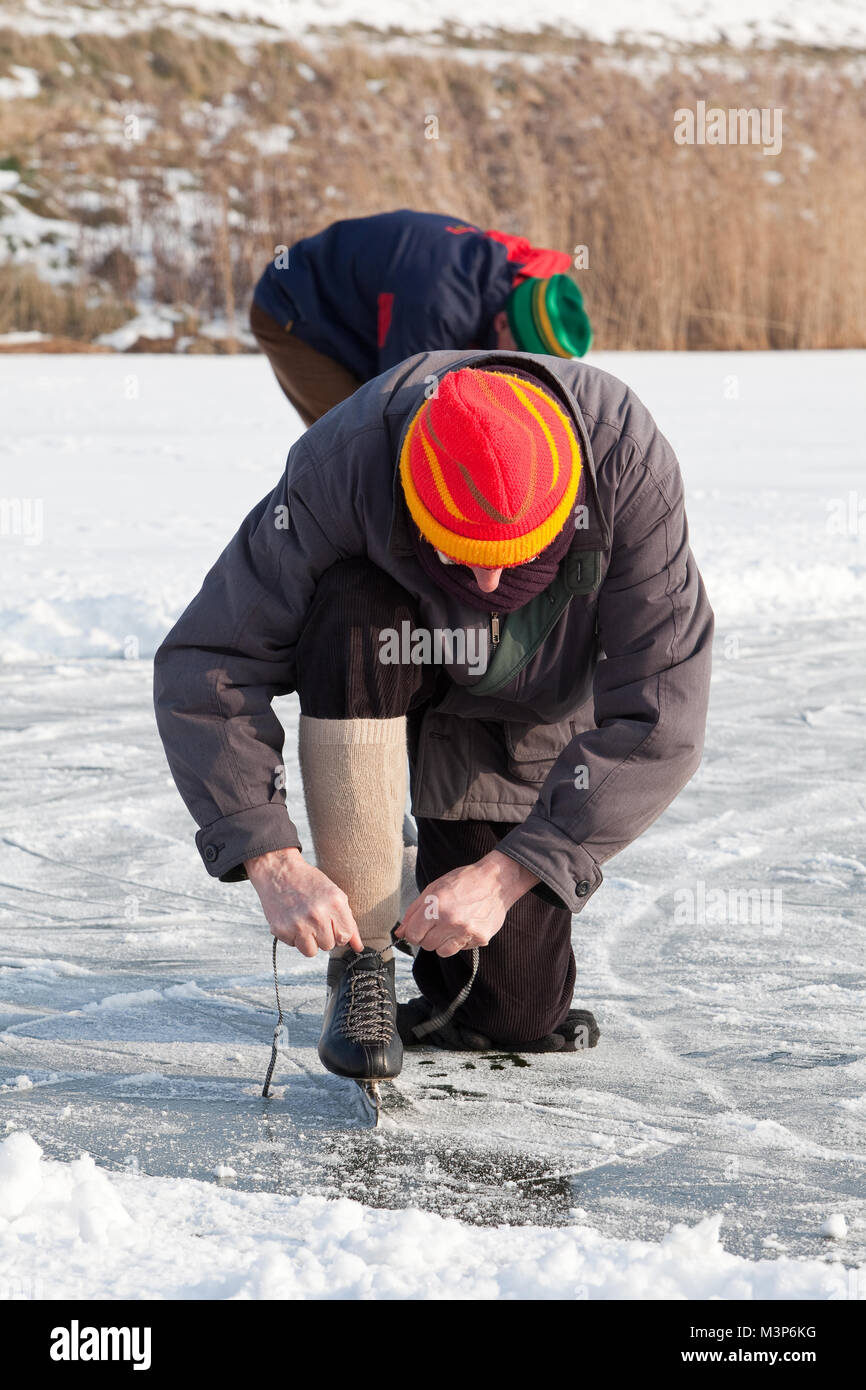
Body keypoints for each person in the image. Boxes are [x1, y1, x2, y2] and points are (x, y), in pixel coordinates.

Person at [153, 348, 713, 1087]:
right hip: (383, 661)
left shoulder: (623, 463)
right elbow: (207, 663)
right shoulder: (345, 464)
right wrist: (272, 859)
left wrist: (510, 873)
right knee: (353, 609)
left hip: (518, 715)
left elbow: (663, 710)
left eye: (512, 558)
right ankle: (367, 953)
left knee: (508, 1014)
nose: (486, 580)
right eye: (463, 551)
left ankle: (412, 866)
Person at [249, 209, 591, 426]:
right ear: (502, 322)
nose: (514, 368)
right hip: (294, 308)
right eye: (518, 356)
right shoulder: (439, 306)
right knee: (359, 442)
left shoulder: (502, 276)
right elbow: (401, 405)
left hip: (365, 314)